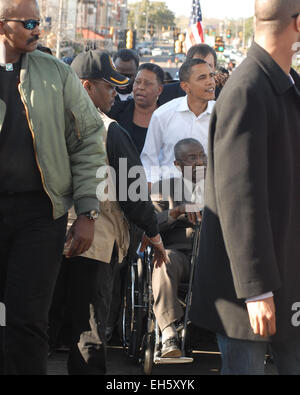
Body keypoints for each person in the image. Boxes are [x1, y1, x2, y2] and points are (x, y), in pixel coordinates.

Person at [189, 0, 300, 375]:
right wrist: (257, 289)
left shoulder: (287, 85)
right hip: (248, 293)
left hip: (288, 280)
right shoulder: (246, 89)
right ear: (297, 24)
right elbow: (239, 199)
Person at [0, 0, 106, 375]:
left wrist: (87, 211)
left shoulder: (56, 74)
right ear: (2, 24)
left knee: (28, 321)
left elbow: (89, 139)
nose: (38, 28)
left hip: (40, 215)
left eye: (40, 20)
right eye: (29, 21)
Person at [66, 50, 167, 375]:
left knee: (40, 329)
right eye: (108, 86)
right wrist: (153, 233)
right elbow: (135, 193)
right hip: (95, 244)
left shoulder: (47, 123)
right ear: (85, 86)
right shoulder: (110, 130)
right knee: (89, 335)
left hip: (47, 239)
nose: (116, 92)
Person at [151, 138, 206, 357]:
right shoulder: (164, 188)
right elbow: (149, 225)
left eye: (202, 156)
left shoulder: (219, 186)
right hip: (181, 255)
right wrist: (176, 212)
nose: (199, 162)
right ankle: (168, 332)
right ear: (177, 164)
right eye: (192, 158)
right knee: (164, 261)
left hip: (213, 256)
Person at [141, 58, 215, 185]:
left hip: (209, 196)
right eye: (202, 78)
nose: (210, 82)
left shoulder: (222, 115)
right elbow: (149, 160)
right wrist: (157, 196)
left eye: (211, 76)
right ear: (185, 86)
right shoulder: (162, 115)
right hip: (170, 196)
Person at [109, 62, 164, 155]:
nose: (141, 87)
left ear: (159, 90)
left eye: (148, 84)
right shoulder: (114, 112)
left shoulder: (168, 116)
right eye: (137, 82)